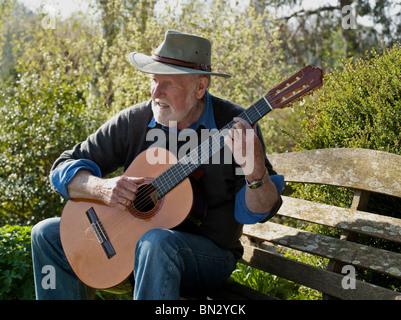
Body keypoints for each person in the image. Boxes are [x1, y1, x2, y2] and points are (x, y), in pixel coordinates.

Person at [31, 30, 284, 300]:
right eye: (153, 80)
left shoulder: (236, 125)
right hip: (135, 248)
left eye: (169, 84)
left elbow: (261, 211)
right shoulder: (135, 120)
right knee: (45, 234)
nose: (156, 93)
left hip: (209, 256)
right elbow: (62, 167)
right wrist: (100, 188)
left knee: (157, 243)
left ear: (200, 87)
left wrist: (255, 171)